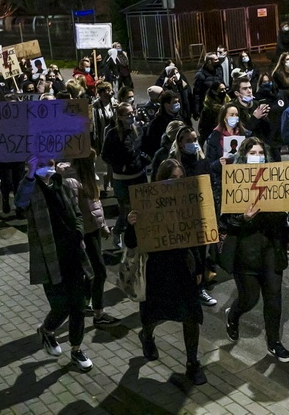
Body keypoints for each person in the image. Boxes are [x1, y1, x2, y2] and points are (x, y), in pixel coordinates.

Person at [127, 159, 207, 386]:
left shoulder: (190, 203)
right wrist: (131, 223)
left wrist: (200, 267)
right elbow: (131, 241)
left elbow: (200, 239)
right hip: (158, 270)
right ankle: (147, 335)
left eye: (181, 178)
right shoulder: (145, 204)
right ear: (161, 181)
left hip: (183, 267)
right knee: (154, 314)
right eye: (172, 178)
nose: (178, 183)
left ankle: (192, 363)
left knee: (191, 316)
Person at [17, 155, 95, 373]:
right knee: (61, 306)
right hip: (50, 258)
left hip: (73, 255)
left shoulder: (63, 183)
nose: (47, 168)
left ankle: (77, 350)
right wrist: (31, 175)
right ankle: (47, 330)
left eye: (49, 164)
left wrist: (79, 231)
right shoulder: (31, 189)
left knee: (79, 306)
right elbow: (20, 201)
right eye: (41, 165)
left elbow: (77, 212)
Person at [220, 138, 289, 363]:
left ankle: (274, 343)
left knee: (274, 299)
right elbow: (224, 223)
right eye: (253, 152)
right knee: (250, 298)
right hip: (245, 251)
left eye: (261, 152)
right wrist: (242, 218)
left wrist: (288, 238)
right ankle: (233, 315)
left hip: (271, 248)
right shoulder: (233, 182)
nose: (258, 156)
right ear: (244, 155)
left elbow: (284, 217)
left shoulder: (274, 178)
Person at [62, 153, 120, 328]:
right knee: (99, 271)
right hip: (84, 233)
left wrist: (102, 225)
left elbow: (95, 204)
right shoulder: (72, 181)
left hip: (92, 229)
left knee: (92, 272)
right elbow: (72, 211)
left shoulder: (87, 177)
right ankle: (98, 313)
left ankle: (86, 304)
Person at [101, 102, 151, 249]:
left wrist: (143, 159)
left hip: (139, 175)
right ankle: (117, 232)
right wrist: (120, 166)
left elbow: (144, 147)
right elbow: (105, 155)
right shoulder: (113, 134)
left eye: (132, 113)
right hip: (122, 180)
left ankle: (139, 238)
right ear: (120, 117)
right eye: (128, 114)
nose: (131, 116)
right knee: (126, 212)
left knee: (142, 208)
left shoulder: (138, 129)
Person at [205, 103, 248, 206]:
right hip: (223, 182)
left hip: (243, 179)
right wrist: (219, 163)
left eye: (236, 115)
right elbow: (209, 164)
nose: (235, 117)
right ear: (224, 117)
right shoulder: (214, 138)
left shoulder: (245, 134)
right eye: (231, 115)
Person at [192, 54, 224, 119]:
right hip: (207, 107)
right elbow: (197, 94)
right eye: (215, 60)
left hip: (219, 106)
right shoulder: (200, 75)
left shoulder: (218, 70)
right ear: (209, 62)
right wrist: (196, 111)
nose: (218, 61)